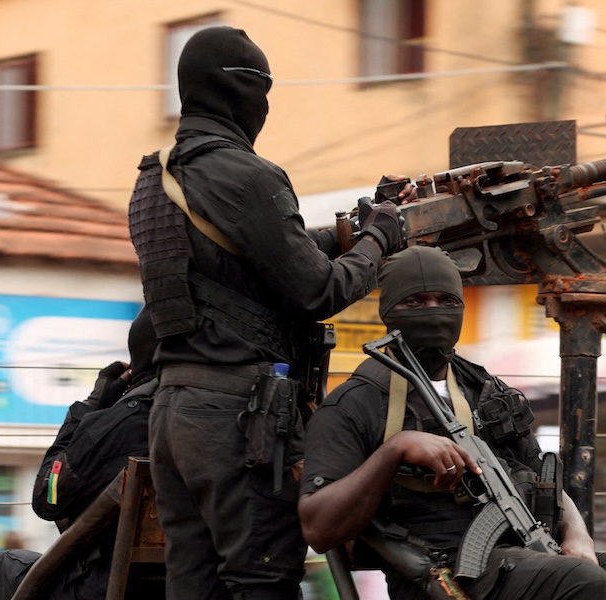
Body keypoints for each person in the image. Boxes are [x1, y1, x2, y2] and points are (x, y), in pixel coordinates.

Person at [126, 26, 408, 600]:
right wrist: (381, 238)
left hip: (172, 414)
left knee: (193, 585)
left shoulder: (153, 179)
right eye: (264, 90)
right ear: (241, 91)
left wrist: (343, 236)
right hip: (239, 418)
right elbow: (316, 293)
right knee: (261, 582)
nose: (266, 107)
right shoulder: (249, 175)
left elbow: (235, 268)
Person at [299, 246, 606, 600]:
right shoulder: (355, 404)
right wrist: (395, 450)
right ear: (389, 311)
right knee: (580, 582)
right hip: (443, 572)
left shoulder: (485, 389)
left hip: (530, 549)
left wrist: (578, 536)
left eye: (447, 301)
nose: (433, 312)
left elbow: (544, 481)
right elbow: (318, 527)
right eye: (415, 301)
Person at [0, 309, 160, 600]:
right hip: (189, 584)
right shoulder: (219, 419)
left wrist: (89, 408)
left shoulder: (111, 426)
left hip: (105, 589)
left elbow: (47, 497)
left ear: (136, 362)